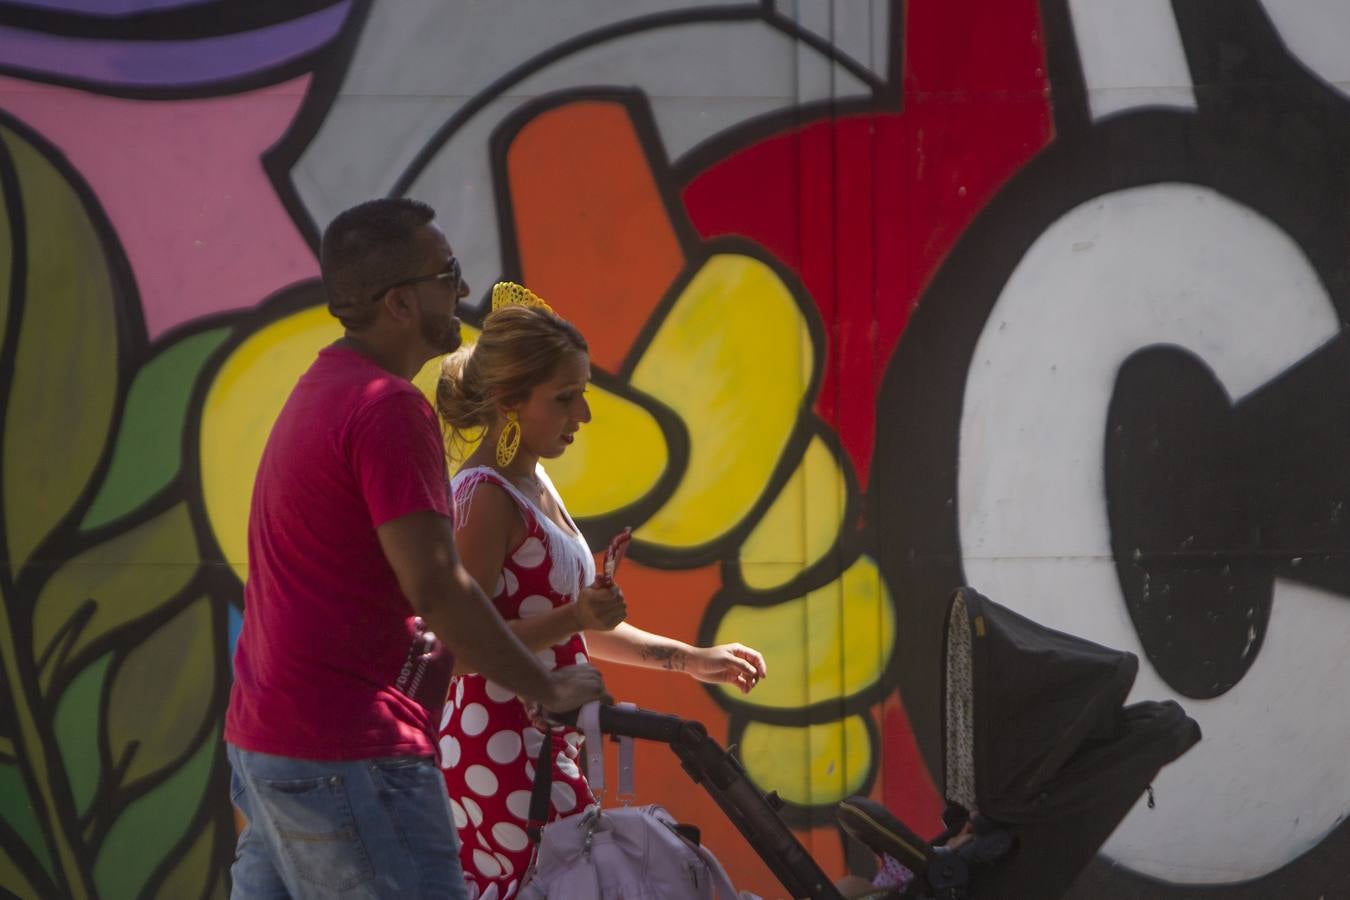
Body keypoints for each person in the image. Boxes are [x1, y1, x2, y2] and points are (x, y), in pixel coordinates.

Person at [224, 200, 605, 900]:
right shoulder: (386, 408)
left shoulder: (326, 386)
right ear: (399, 303)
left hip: (271, 739)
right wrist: (545, 685)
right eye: (447, 273)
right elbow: (439, 585)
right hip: (348, 750)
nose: (462, 290)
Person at [434, 283, 768, 899]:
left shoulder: (532, 482)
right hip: (499, 747)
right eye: (566, 399)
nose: (582, 417)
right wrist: (571, 616)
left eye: (582, 396)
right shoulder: (483, 496)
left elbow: (582, 626)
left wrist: (691, 660)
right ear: (509, 401)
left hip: (537, 742)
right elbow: (456, 650)